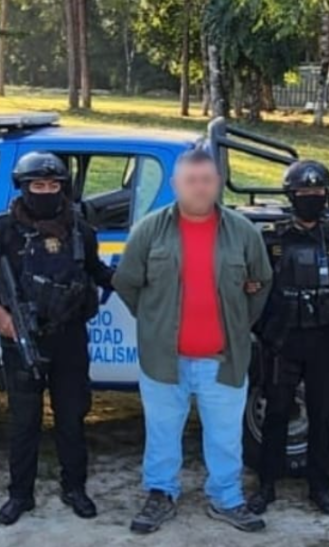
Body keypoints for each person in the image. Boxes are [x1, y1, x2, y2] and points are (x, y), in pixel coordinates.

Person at [112, 149, 272, 535]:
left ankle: (226, 498)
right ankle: (160, 493)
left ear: (218, 183)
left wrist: (237, 325)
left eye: (207, 180)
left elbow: (261, 283)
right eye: (191, 181)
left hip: (223, 359)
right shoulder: (149, 231)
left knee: (225, 436)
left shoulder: (243, 232)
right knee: (162, 433)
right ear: (175, 184)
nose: (199, 188)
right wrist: (155, 323)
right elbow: (126, 283)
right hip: (163, 360)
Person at [0, 152, 114, 525]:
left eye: (52, 185)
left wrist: (137, 284)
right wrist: (0, 315)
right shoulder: (2, 230)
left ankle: (74, 488)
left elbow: (97, 271)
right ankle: (20, 495)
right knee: (24, 422)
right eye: (37, 185)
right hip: (22, 339)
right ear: (23, 187)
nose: (46, 192)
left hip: (69, 338)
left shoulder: (80, 230)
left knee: (71, 417)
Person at [247, 160, 329, 516]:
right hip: (282, 341)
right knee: (276, 413)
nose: (311, 198)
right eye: (304, 192)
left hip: (325, 340)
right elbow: (251, 278)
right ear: (291, 196)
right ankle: (266, 486)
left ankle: (320, 487)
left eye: (318, 192)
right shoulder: (271, 237)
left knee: (321, 415)